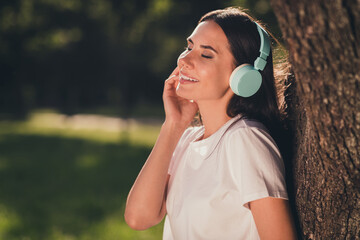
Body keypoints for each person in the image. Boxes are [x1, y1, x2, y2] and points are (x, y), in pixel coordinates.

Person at [125, 7, 297, 240]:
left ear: (244, 75)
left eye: (206, 54)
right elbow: (139, 218)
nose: (184, 59)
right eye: (189, 47)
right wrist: (173, 125)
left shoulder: (245, 139)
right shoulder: (186, 139)